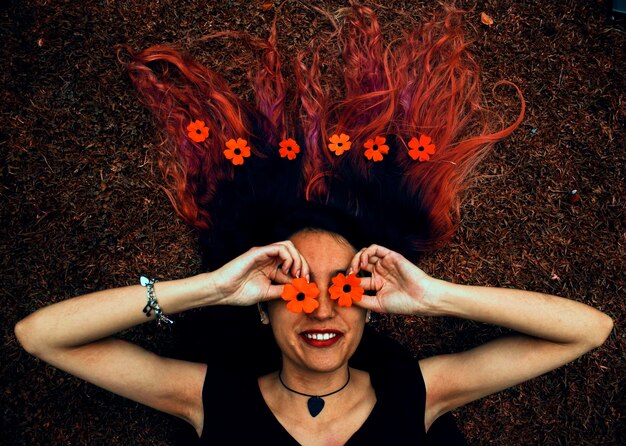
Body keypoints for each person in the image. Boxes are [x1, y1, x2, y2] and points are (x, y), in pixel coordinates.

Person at [14, 2, 614, 444]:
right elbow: (40, 336)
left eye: (345, 288)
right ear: (264, 305)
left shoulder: (417, 394)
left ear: (372, 304)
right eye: (296, 289)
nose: (322, 309)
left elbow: (588, 330)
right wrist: (213, 288)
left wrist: (436, 299)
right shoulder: (210, 398)